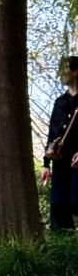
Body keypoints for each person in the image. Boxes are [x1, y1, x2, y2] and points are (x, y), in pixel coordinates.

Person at [42, 56, 78, 231]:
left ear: (75, 71)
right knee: (57, 204)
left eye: (64, 69)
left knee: (75, 201)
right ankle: (65, 248)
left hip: (76, 161)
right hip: (60, 160)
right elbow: (52, 133)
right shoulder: (59, 102)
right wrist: (46, 164)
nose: (61, 74)